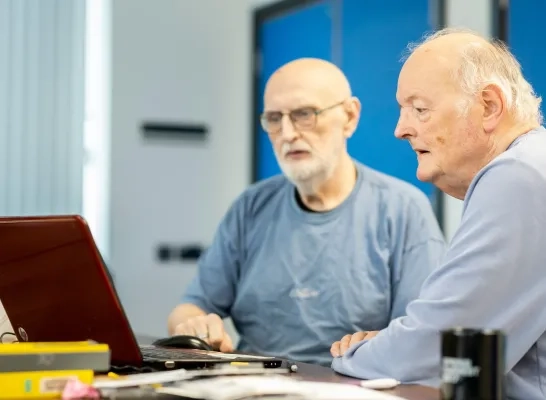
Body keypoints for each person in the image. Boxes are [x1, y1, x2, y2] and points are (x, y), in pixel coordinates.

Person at [167, 58, 446, 366]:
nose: (287, 134)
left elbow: (421, 337)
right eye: (274, 118)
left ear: (349, 117)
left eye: (304, 115)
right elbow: (191, 307)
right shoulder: (250, 208)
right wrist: (194, 326)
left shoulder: (403, 210)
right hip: (253, 383)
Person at [330, 28, 546, 399]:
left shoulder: (518, 176)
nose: (400, 129)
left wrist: (358, 353)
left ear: (490, 106)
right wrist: (404, 340)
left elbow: (436, 348)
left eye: (420, 109)